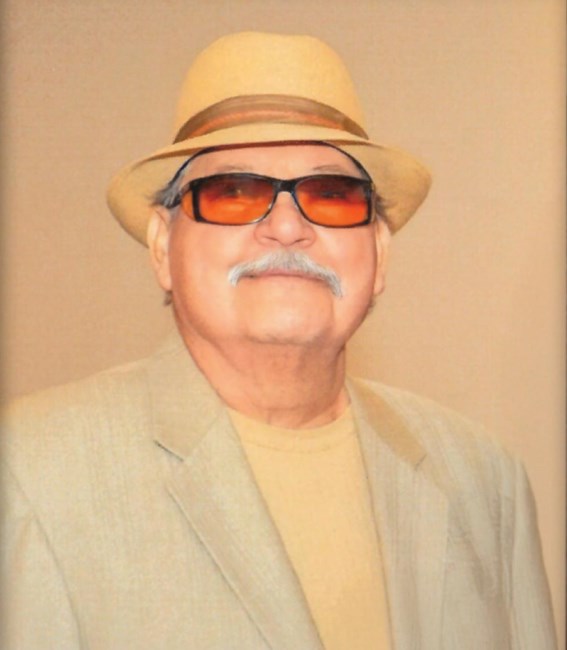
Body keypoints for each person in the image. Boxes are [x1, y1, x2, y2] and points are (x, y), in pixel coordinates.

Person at [1, 31, 557, 650]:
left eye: (332, 196)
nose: (288, 227)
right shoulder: (30, 472)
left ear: (378, 250)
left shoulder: (483, 480)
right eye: (234, 193)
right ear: (162, 245)